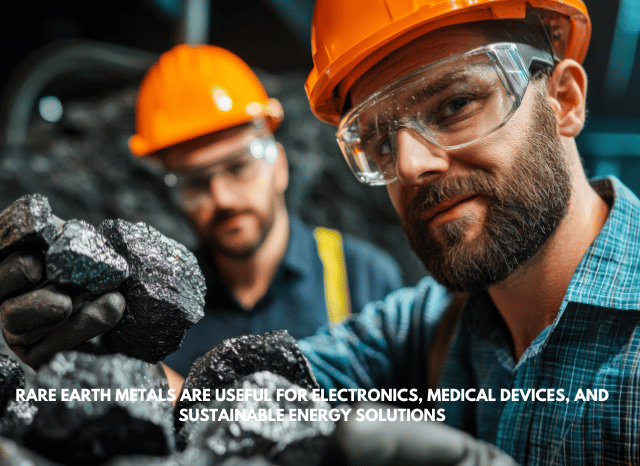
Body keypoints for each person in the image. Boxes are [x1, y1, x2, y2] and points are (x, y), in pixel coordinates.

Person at [295, 0, 640, 464]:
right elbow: (251, 384)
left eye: (455, 104)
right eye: (380, 142)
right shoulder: (430, 325)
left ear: (564, 101)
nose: (410, 165)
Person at [0, 43, 403, 378]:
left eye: (238, 166)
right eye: (195, 182)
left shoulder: (363, 276)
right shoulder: (156, 304)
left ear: (278, 164)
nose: (223, 197)